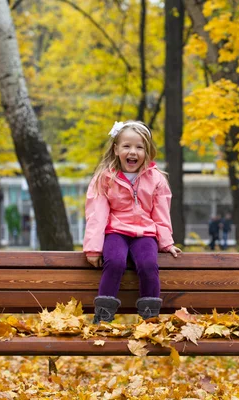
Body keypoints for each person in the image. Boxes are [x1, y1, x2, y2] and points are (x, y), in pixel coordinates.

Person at [83, 120, 182, 324]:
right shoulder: (105, 178)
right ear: (116, 149)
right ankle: (103, 316)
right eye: (127, 146)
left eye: (139, 147)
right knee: (115, 261)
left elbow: (161, 214)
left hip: (144, 233)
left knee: (148, 265)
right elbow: (97, 213)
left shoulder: (156, 179)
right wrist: (93, 248)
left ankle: (150, 318)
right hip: (115, 232)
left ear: (147, 151)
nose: (133, 152)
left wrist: (166, 243)